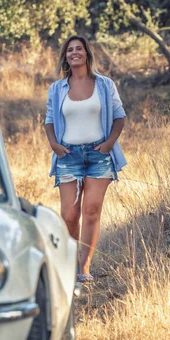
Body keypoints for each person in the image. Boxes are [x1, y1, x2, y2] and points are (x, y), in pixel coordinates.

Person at [45, 35, 127, 283]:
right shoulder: (57, 88)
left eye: (79, 48)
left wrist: (109, 143)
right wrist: (55, 146)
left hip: (98, 155)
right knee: (69, 214)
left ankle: (84, 268)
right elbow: (49, 120)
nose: (75, 53)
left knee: (91, 211)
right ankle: (69, 264)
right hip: (68, 155)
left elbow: (119, 116)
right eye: (70, 50)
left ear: (87, 54)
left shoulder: (104, 85)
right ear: (66, 56)